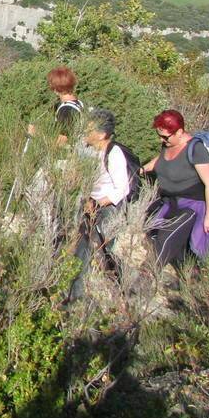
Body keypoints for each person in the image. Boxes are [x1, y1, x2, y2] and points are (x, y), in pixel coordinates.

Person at [67, 109, 130, 301]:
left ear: (102, 135)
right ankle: (75, 296)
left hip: (106, 209)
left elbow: (122, 188)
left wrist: (98, 202)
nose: (85, 131)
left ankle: (122, 290)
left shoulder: (114, 153)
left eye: (90, 129)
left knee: (106, 251)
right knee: (82, 249)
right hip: (89, 204)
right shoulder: (89, 150)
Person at [141, 110, 209, 267]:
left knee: (166, 239)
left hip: (192, 206)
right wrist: (140, 170)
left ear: (179, 132)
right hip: (169, 202)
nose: (161, 140)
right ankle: (184, 279)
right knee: (173, 248)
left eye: (165, 137)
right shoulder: (168, 144)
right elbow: (160, 160)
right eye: (159, 135)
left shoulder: (196, 149)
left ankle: (145, 276)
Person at [28, 66, 84, 145]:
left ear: (54, 87)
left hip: (69, 154)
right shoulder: (79, 103)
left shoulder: (66, 110)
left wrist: (36, 134)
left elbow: (60, 144)